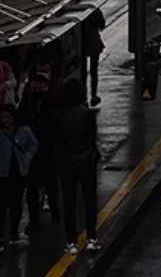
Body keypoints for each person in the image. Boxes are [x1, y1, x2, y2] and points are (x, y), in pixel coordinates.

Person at [18, 54, 63, 232]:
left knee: (49, 186)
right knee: (33, 189)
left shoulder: (50, 102)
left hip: (47, 150)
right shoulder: (28, 103)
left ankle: (54, 212)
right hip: (34, 153)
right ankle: (36, 218)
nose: (38, 87)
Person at [0, 104, 38, 253]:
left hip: (17, 174)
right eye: (2, 117)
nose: (5, 120)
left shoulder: (24, 130)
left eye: (8, 116)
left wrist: (26, 158)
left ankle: (13, 231)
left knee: (16, 205)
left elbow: (33, 145)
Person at [56, 78, 101, 255]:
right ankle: (91, 238)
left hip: (67, 163)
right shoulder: (87, 114)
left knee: (69, 202)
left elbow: (57, 140)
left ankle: (71, 241)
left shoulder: (60, 115)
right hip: (86, 161)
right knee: (89, 200)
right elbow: (92, 135)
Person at [82, 10, 105, 107]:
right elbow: (102, 25)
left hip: (81, 43)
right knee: (93, 71)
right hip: (94, 42)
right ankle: (93, 95)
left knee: (82, 72)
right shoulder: (95, 10)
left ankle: (83, 96)